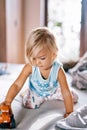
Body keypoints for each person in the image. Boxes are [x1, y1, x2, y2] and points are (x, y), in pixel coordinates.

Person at [0, 27, 74, 118]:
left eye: (42, 58)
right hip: (36, 92)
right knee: (29, 104)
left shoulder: (58, 70)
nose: (37, 62)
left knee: (72, 97)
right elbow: (17, 84)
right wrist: (8, 101)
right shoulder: (30, 67)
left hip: (53, 91)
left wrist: (70, 112)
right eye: (33, 58)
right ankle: (27, 92)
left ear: (53, 55)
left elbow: (65, 91)